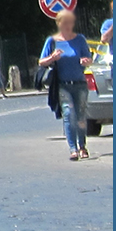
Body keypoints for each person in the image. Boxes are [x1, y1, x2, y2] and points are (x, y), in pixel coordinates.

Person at [38, 10, 93, 161]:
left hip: (80, 83)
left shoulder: (80, 39)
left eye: (71, 22)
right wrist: (52, 57)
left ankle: (82, 146)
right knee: (68, 114)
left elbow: (88, 58)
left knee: (81, 116)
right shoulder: (52, 41)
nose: (68, 26)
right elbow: (41, 62)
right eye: (65, 23)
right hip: (63, 85)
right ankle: (73, 149)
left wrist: (86, 61)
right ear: (59, 24)